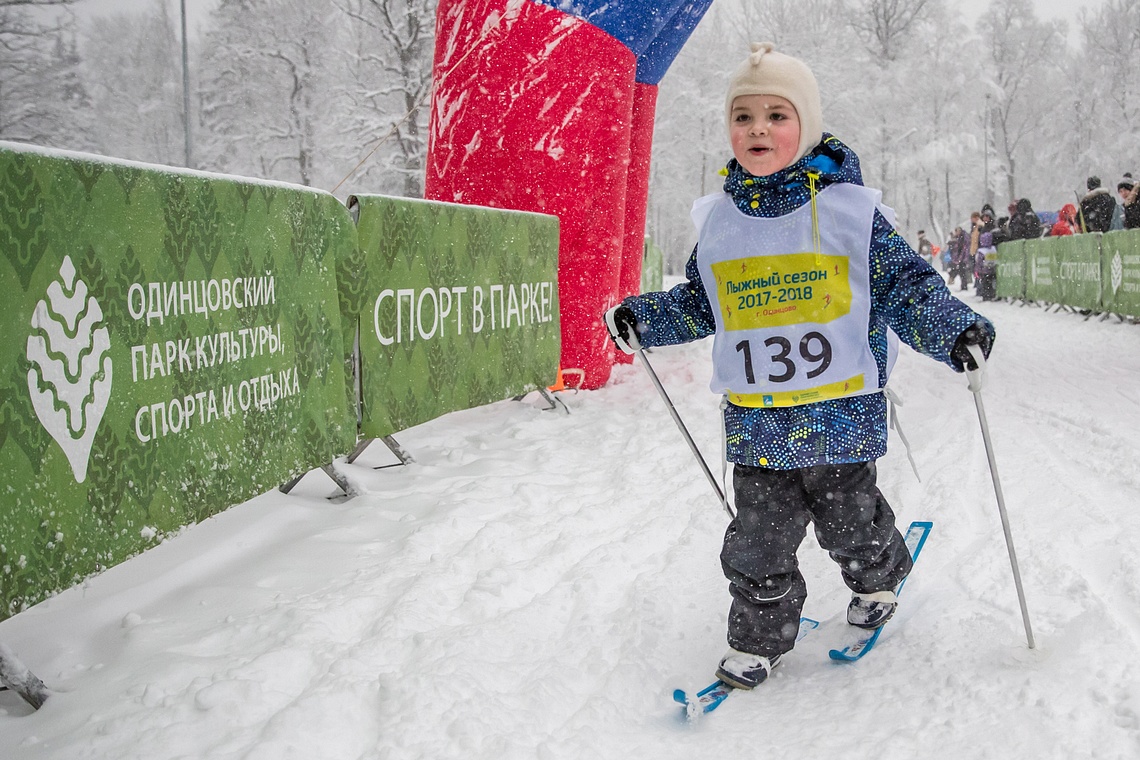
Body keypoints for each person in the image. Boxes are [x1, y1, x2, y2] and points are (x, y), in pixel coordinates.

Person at [602, 43, 995, 691]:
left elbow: (905, 285)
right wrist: (644, 319)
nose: (758, 128)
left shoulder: (849, 213)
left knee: (851, 523)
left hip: (839, 414)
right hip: (758, 423)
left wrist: (954, 329)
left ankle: (878, 576)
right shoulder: (723, 223)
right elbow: (702, 303)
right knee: (756, 542)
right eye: (744, 116)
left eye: (777, 115)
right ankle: (759, 637)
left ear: (806, 126)